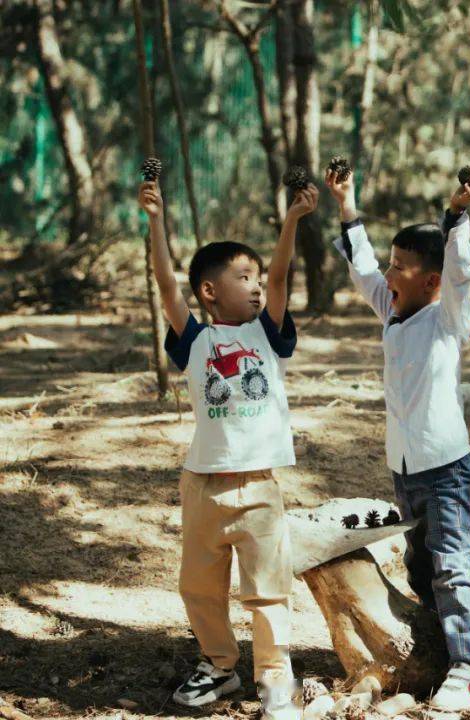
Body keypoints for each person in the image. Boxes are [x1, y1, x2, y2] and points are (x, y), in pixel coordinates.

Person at [137, 177, 318, 719]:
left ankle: (275, 679)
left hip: (260, 486)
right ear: (211, 291)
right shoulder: (195, 341)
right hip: (203, 484)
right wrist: (155, 220)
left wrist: (291, 221)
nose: (258, 286)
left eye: (258, 278)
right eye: (244, 278)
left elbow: (283, 276)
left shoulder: (267, 333)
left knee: (267, 590)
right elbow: (168, 287)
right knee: (199, 586)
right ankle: (219, 665)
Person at [326, 165, 470, 712]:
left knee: (450, 562)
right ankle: (441, 646)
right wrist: (348, 204)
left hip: (445, 468)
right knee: (421, 565)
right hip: (406, 470)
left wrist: (457, 217)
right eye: (391, 264)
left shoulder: (446, 317)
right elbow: (362, 268)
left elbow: (461, 270)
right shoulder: (393, 309)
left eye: (401, 266)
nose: (388, 274)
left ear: (431, 281)